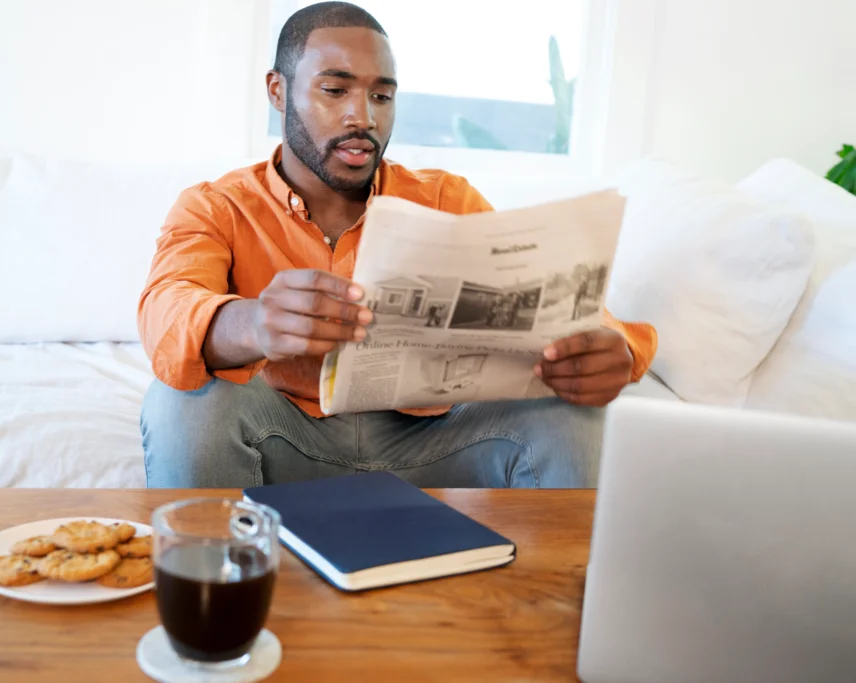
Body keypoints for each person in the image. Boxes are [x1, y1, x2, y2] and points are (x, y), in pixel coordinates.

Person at [137, 2, 657, 490]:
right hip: (284, 436)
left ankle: (552, 589)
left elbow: (551, 301)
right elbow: (168, 308)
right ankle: (223, 585)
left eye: (382, 96)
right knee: (182, 403)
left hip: (432, 442)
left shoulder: (444, 198)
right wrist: (252, 323)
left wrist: (612, 349)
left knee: (569, 409)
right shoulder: (216, 206)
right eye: (335, 91)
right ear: (278, 90)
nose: (362, 117)